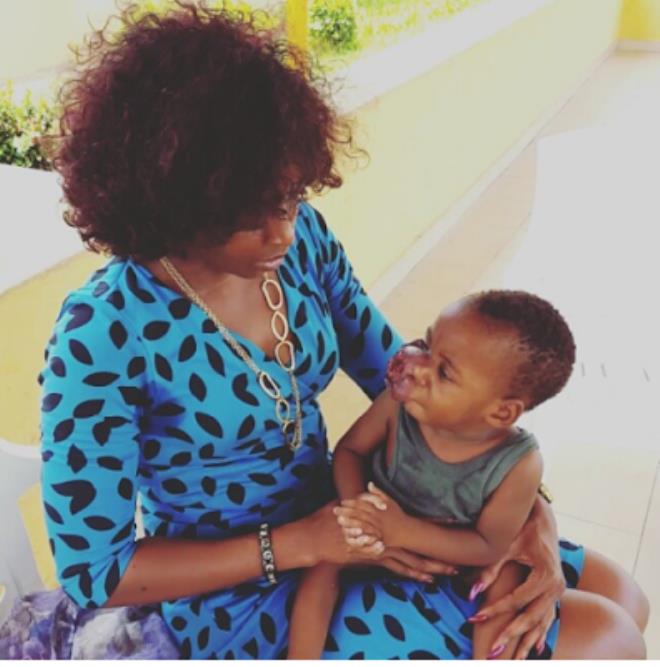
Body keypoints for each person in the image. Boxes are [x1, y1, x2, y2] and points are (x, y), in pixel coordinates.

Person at [33, 2, 647, 660]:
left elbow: (409, 380)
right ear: (175, 201)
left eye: (290, 198)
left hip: (362, 510)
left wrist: (532, 513)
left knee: (624, 594)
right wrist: (301, 543)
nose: (283, 232)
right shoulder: (102, 335)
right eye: (252, 215)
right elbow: (96, 573)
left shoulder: (300, 248)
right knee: (606, 636)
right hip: (242, 586)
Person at [289, 290, 582, 659]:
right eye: (427, 346)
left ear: (501, 413)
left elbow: (489, 545)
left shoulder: (520, 463)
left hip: (453, 550)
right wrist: (358, 511)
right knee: (323, 564)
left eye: (443, 371)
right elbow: (350, 451)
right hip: (376, 524)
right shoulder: (398, 407)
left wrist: (402, 531)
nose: (418, 368)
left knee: (506, 576)